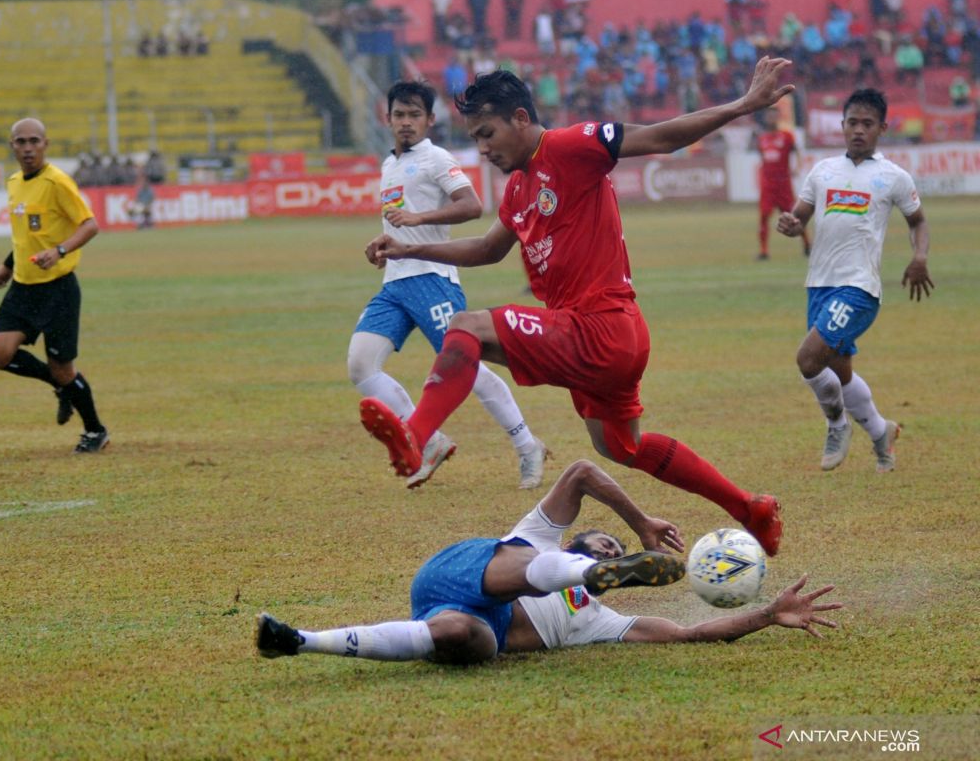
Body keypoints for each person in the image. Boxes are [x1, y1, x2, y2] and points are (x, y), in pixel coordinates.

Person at [358, 58, 795, 556]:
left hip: (599, 326)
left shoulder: (569, 146)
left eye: (487, 133)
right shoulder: (520, 187)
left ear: (520, 118)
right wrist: (412, 246)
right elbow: (488, 249)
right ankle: (750, 508)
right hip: (608, 337)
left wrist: (743, 105)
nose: (482, 148)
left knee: (466, 326)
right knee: (620, 446)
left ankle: (415, 437)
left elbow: (659, 137)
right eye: (475, 138)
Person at [256, 460, 841, 665]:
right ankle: (577, 574)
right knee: (528, 559)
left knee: (461, 632)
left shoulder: (601, 624)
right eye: (603, 544)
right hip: (465, 571)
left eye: (616, 553)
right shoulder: (538, 536)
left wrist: (767, 615)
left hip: (474, 625)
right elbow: (584, 472)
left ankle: (300, 641)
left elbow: (689, 633)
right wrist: (639, 524)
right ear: (578, 541)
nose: (610, 545)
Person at [351, 81, 548, 489]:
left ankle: (527, 444)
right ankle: (428, 441)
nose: (406, 123)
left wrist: (419, 224)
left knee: (468, 370)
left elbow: (472, 205)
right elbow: (399, 221)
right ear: (387, 119)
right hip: (395, 281)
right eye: (399, 115)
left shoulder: (435, 159)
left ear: (429, 120)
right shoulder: (389, 165)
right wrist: (383, 244)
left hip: (432, 279)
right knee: (361, 363)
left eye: (414, 115)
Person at [777, 88, 932, 473]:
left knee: (808, 359)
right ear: (842, 126)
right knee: (839, 371)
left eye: (867, 124)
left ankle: (836, 425)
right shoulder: (823, 170)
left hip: (860, 287)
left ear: (882, 128)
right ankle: (882, 433)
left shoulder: (892, 176)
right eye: (852, 123)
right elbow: (799, 217)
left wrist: (919, 256)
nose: (858, 130)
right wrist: (791, 224)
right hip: (820, 284)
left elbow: (918, 221)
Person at [0, 118, 110, 454]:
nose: (28, 148)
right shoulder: (14, 183)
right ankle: (59, 387)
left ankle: (95, 430)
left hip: (58, 290)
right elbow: (28, 235)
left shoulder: (57, 182)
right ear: (12, 145)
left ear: (45, 144)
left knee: (63, 367)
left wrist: (59, 251)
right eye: (21, 142)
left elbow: (91, 225)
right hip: (24, 288)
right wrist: (8, 266)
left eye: (34, 141)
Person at [751, 106, 808, 260]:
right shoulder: (762, 138)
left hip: (784, 185)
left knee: (794, 216)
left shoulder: (786, 136)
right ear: (765, 118)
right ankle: (763, 251)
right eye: (770, 116)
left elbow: (796, 151)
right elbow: (762, 159)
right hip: (768, 186)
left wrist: (797, 167)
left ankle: (807, 244)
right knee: (763, 216)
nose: (772, 119)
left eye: (775, 116)